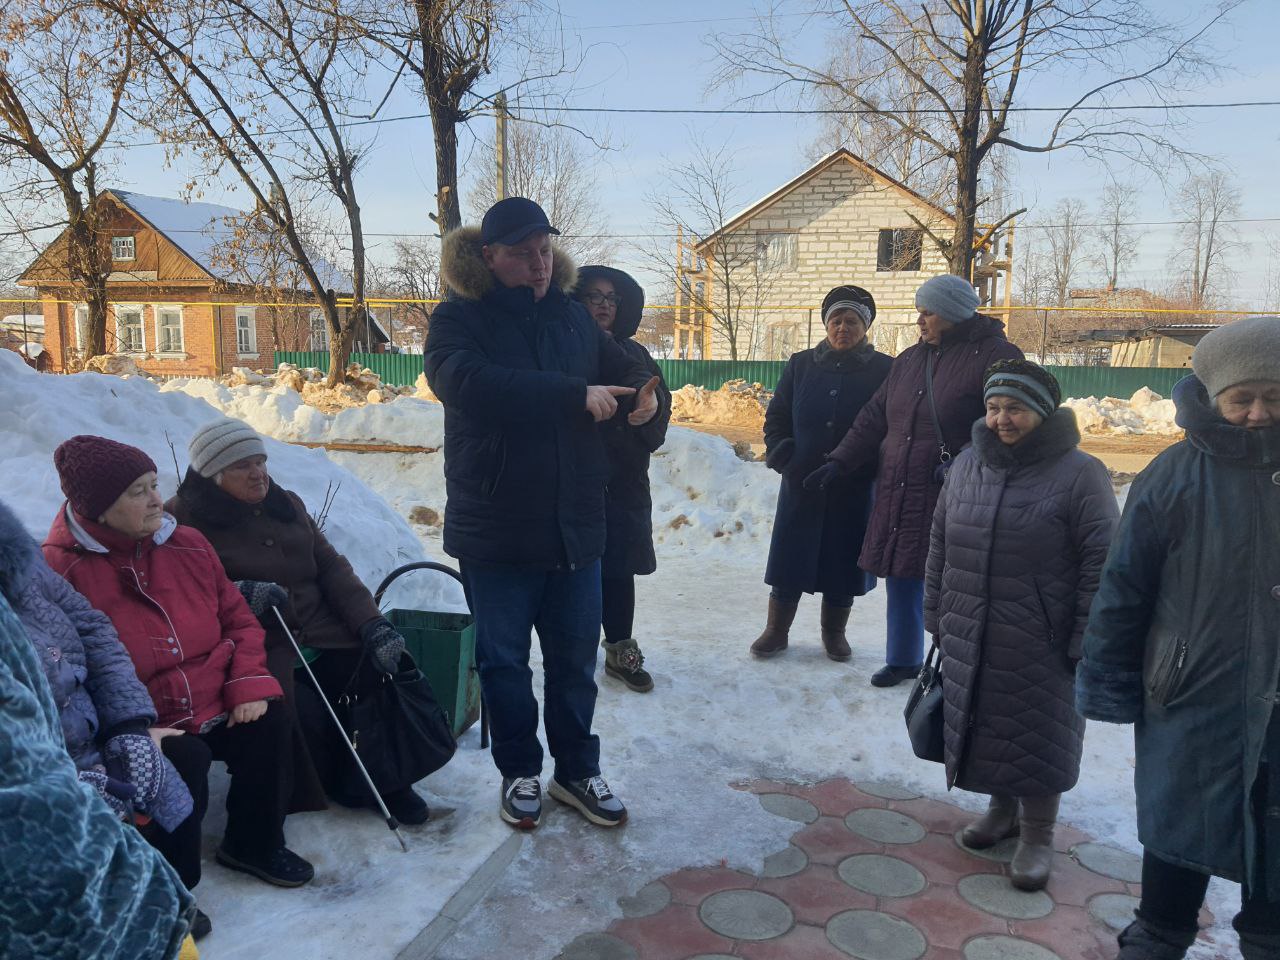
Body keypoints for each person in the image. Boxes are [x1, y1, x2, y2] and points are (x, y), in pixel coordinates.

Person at [425, 197, 658, 830]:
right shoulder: (457, 319)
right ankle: (520, 771)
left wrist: (647, 396)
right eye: (523, 253)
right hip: (496, 527)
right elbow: (466, 383)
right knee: (504, 663)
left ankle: (576, 772)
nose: (539, 263)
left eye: (545, 250)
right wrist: (571, 393)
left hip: (574, 523)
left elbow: (625, 363)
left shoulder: (572, 316)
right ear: (489, 256)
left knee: (575, 663)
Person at [1077, 316, 1280, 959]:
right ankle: (1161, 931)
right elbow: (1124, 585)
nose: (1257, 413)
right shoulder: (1174, 474)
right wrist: (1108, 678)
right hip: (1192, 694)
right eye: (1242, 398)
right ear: (1215, 397)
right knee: (1180, 822)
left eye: (1274, 396)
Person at [42, 435, 314, 890]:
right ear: (99, 508)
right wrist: (126, 728)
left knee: (269, 720)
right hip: (142, 717)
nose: (156, 499)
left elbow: (239, 621)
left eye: (154, 484)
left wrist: (247, 682)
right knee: (181, 759)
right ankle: (170, 888)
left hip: (210, 694)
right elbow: (61, 676)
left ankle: (253, 843)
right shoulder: (58, 572)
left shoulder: (187, 544)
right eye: (138, 492)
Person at [167, 417, 434, 825]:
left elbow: (331, 568)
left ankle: (385, 780)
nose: (258, 473)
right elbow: (180, 590)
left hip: (322, 629)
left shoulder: (286, 503)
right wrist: (237, 594)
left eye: (260, 461)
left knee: (370, 675)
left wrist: (371, 623)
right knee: (303, 709)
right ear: (213, 474)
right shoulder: (183, 519)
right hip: (257, 644)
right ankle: (322, 784)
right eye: (242, 466)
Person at [924, 360, 1117, 891]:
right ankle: (1001, 811)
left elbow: (1102, 563)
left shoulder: (1080, 473)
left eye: (1015, 408)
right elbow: (940, 540)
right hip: (969, 624)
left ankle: (1037, 835)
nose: (1001, 419)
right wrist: (936, 610)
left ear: (1044, 412)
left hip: (1042, 636)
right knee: (988, 723)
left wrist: (1086, 637)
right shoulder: (968, 464)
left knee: (1038, 732)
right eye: (993, 408)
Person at [0, 497, 209, 939]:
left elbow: (93, 630)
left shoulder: (25, 563)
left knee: (182, 761)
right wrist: (62, 780)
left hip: (95, 731)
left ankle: (172, 893)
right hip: (37, 772)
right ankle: (120, 918)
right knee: (85, 838)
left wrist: (128, 726)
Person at [806, 274, 1023, 687]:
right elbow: (874, 416)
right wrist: (840, 461)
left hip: (960, 489)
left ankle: (960, 665)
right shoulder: (910, 359)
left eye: (928, 313)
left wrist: (967, 461)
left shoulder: (998, 356)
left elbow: (1010, 419)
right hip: (901, 483)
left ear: (954, 313)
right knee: (903, 571)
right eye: (919, 312)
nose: (920, 321)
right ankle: (903, 659)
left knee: (959, 581)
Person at [751, 285, 892, 660]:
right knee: (789, 557)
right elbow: (777, 416)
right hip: (802, 479)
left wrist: (870, 465)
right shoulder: (801, 364)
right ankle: (776, 631)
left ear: (865, 327)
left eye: (852, 321)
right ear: (826, 325)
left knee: (843, 560)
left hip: (854, 483)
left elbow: (890, 423)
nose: (843, 327)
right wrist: (783, 454)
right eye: (836, 320)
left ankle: (834, 633)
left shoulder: (884, 369)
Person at [573, 265, 672, 693]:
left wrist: (651, 411)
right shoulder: (565, 349)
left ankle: (620, 652)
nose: (604, 305)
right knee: (573, 571)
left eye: (611, 298)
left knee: (618, 569)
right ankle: (572, 656)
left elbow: (659, 399)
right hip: (573, 481)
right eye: (594, 296)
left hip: (623, 482)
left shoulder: (636, 354)